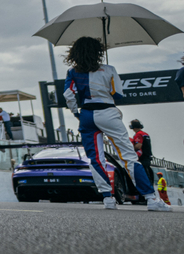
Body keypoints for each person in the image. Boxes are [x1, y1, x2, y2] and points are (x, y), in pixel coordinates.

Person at [63, 36, 170, 212]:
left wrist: (76, 113)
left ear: (75, 53)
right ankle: (151, 199)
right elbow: (117, 93)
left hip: (87, 114)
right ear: (98, 52)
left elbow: (68, 95)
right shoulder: (109, 68)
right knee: (128, 156)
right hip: (108, 112)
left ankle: (108, 199)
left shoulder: (72, 72)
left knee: (96, 158)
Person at [130, 120, 154, 195]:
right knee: (148, 175)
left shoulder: (138, 134)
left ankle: (146, 193)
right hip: (147, 157)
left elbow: (138, 146)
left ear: (132, 127)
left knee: (143, 176)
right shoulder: (145, 134)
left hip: (142, 158)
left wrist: (130, 148)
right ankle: (150, 192)